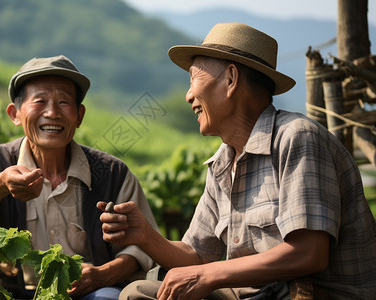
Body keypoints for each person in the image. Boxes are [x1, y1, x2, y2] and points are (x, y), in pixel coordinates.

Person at [98, 22, 376, 299]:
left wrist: (209, 274)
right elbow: (196, 256)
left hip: (311, 295)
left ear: (231, 80)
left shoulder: (296, 138)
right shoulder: (222, 162)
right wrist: (145, 235)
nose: (188, 95)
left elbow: (309, 253)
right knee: (139, 293)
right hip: (258, 294)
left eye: (194, 78)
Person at [0, 55, 159, 299]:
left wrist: (101, 275)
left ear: (79, 116)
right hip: (14, 293)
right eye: (39, 101)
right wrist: (2, 183)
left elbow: (139, 246)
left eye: (64, 102)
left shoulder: (113, 174)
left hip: (90, 293)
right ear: (15, 114)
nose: (52, 113)